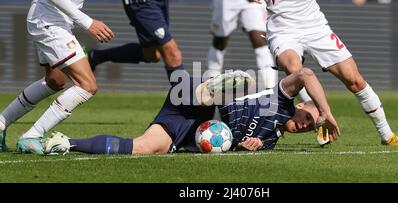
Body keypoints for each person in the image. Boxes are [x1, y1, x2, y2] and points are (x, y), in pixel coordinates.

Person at [44, 68, 340, 155]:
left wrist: (247, 146)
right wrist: (326, 112)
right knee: (227, 93)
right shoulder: (281, 99)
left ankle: (65, 142)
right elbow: (306, 74)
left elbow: (232, 144)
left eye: (311, 127)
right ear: (300, 106)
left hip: (188, 126)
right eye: (308, 119)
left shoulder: (271, 140)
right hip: (196, 101)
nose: (305, 125)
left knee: (143, 148)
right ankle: (211, 86)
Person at [250, 0, 398, 146]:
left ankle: (387, 135)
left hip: (315, 27)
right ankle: (319, 113)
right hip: (283, 31)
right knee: (295, 70)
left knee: (355, 80)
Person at [0, 0, 114, 154]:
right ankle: (32, 136)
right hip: (49, 22)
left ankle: (0, 124)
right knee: (87, 85)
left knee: (54, 81)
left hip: (47, 20)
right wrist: (87, 22)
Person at [85, 0, 183, 80]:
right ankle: (184, 99)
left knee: (153, 54)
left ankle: (96, 56)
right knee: (172, 53)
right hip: (142, 2)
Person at [207, 0, 278, 90]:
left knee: (260, 39)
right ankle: (212, 83)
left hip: (253, 3)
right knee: (220, 41)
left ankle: (270, 88)